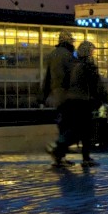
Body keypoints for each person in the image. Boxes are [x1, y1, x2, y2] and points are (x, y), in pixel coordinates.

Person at [64, 41, 108, 167]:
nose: (93, 53)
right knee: (85, 131)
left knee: (79, 130)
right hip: (84, 101)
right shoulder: (88, 66)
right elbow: (95, 85)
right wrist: (101, 98)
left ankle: (63, 152)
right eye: (92, 51)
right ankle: (85, 157)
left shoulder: (74, 65)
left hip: (75, 101)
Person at [42, 31, 76, 166]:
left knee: (63, 124)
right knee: (70, 125)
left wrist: (44, 94)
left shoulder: (52, 55)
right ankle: (56, 148)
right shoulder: (68, 55)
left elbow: (47, 77)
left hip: (55, 93)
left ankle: (60, 156)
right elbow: (71, 75)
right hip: (66, 93)